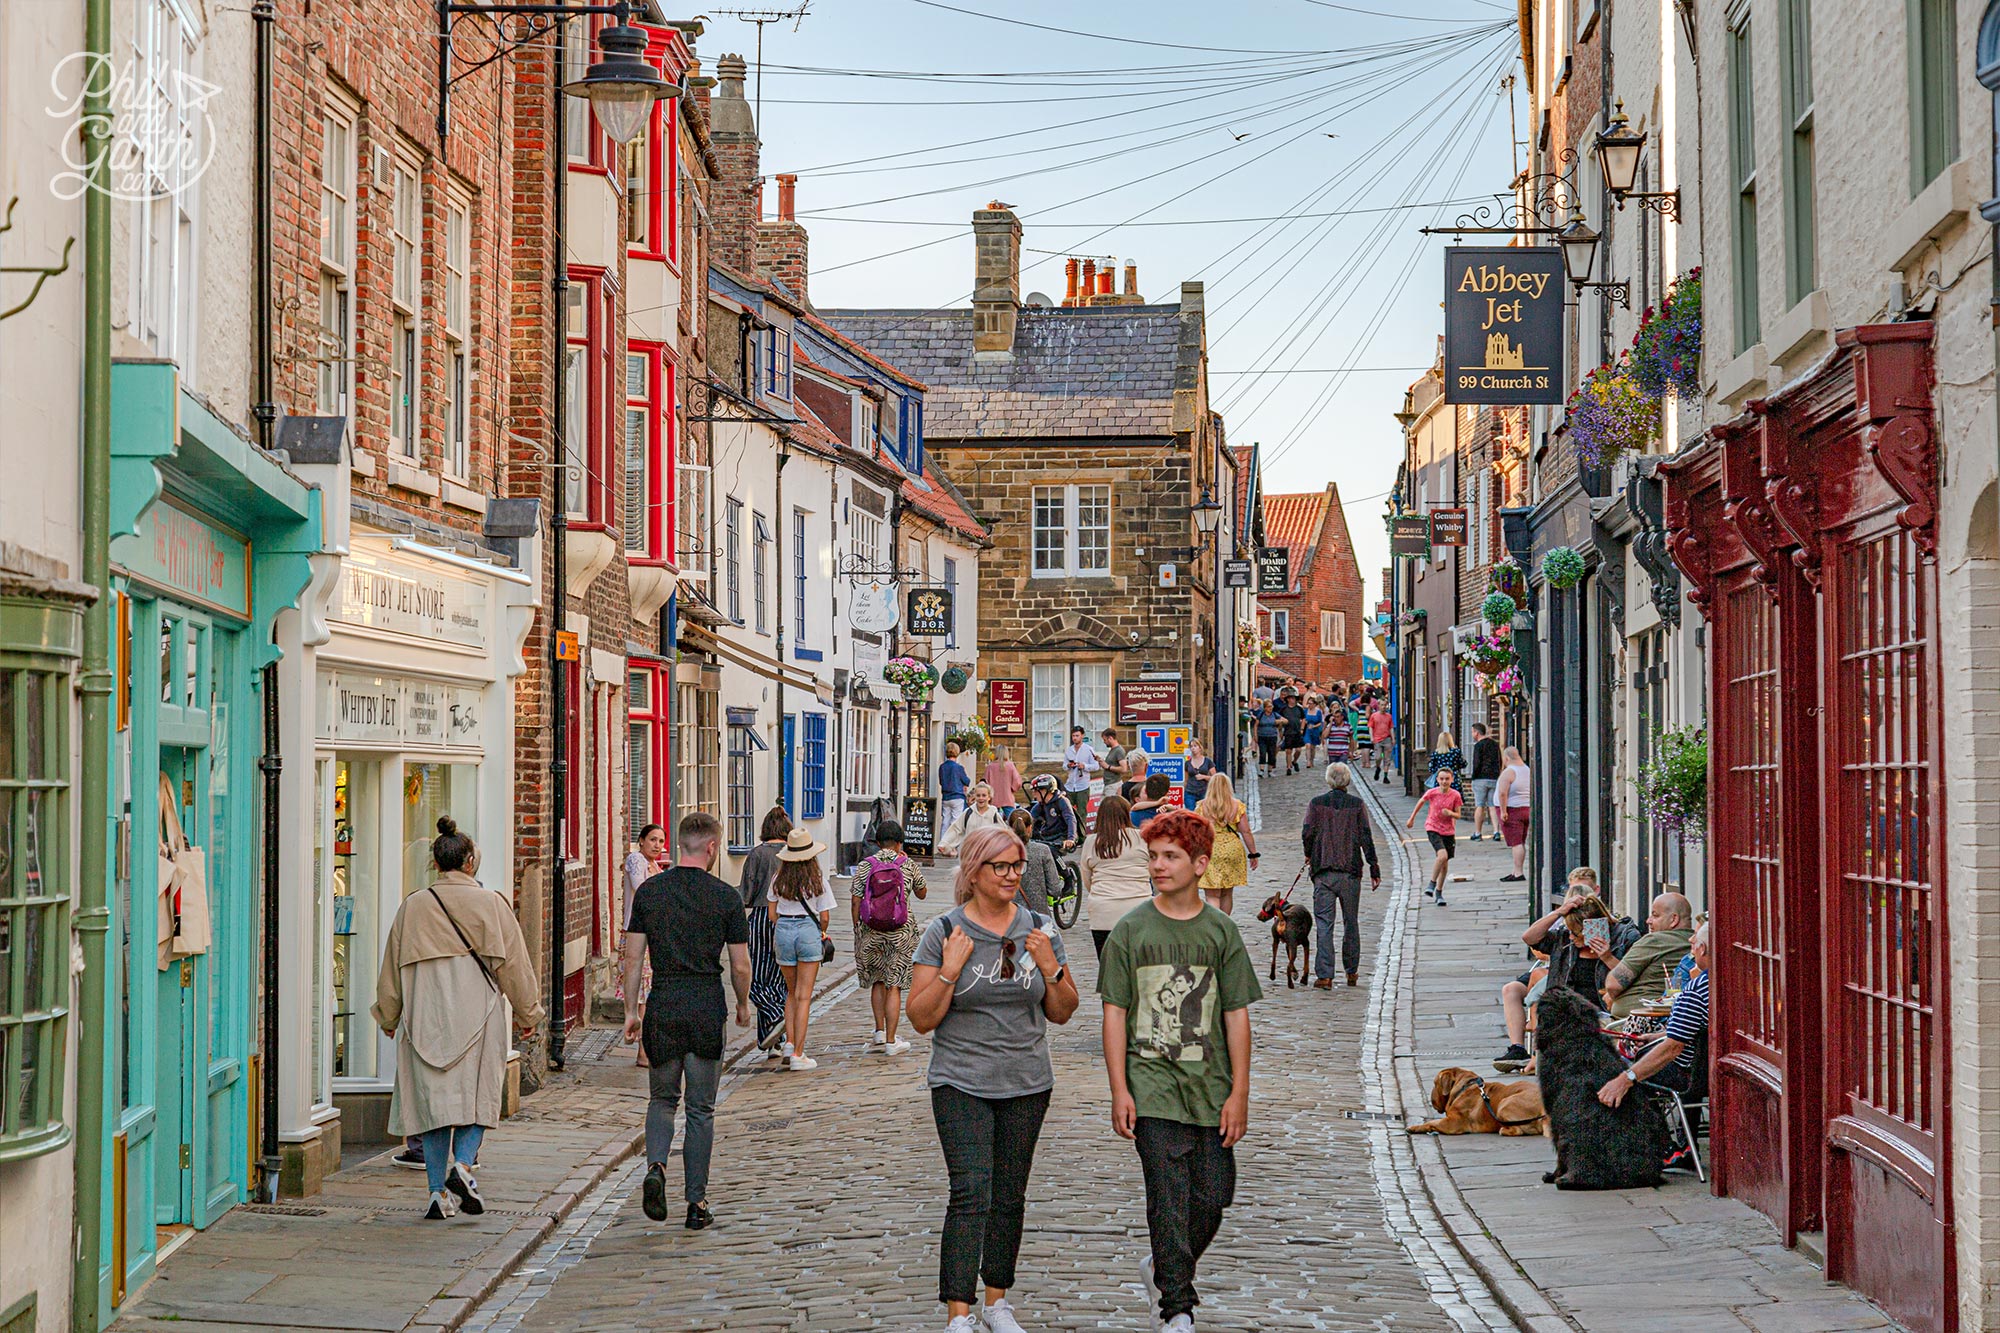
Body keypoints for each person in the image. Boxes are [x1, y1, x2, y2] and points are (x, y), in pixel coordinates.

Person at [910, 825, 1080, 1333]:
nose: (1011, 876)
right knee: (970, 1192)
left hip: (1027, 1081)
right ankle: (958, 1313)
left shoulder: (1038, 929)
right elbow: (920, 1018)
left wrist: (1050, 968)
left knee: (1009, 1195)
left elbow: (1064, 1011)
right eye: (1000, 867)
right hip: (959, 1080)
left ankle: (997, 1302)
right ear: (973, 871)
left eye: (1017, 866)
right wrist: (949, 970)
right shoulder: (945, 932)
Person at [1099, 809, 1261, 1333]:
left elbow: (1237, 1017)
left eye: (1170, 857)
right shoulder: (1131, 930)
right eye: (1154, 857)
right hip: (1152, 1086)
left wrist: (1239, 1093)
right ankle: (1177, 1308)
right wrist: (1120, 1088)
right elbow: (1114, 1015)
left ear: (1200, 864)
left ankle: (1165, 1268)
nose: (1159, 866)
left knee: (1214, 1195)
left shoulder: (1221, 933)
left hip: (1210, 1087)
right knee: (1166, 1197)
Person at [373, 818, 543, 1220]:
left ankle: (436, 1193)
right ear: (470, 862)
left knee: (432, 1108)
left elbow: (391, 969)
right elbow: (515, 965)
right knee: (478, 1101)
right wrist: (527, 1012)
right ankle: (463, 1168)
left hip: (425, 1019)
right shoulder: (491, 904)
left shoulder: (412, 906)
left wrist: (389, 1014)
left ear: (436, 863)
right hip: (479, 1016)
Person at [620, 812, 751, 1229]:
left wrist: (630, 1013)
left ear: (680, 844)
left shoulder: (651, 894)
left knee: (661, 1100)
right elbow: (740, 963)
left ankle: (656, 1167)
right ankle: (696, 1204)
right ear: (712, 847)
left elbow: (632, 955)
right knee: (700, 1109)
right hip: (704, 1005)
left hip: (663, 1005)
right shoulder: (725, 897)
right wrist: (744, 1004)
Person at [1595, 923, 1710, 1170]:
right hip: (1709, 1070)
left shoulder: (1695, 991)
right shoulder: (1727, 983)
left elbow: (1672, 1049)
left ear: (1702, 949)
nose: (1690, 942)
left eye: (1694, 943)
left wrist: (1626, 1078)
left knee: (1629, 1072)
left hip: (1688, 1074)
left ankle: (1664, 1148)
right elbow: (1695, 1030)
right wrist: (1661, 1033)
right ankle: (1685, 1145)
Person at [1301, 763, 1381, 989]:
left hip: (1323, 870)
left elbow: (1307, 832)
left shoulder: (1316, 804)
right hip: (1350, 871)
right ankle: (1352, 971)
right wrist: (1374, 867)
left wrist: (1309, 854)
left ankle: (1325, 975)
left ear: (1329, 780)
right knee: (1350, 922)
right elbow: (1366, 836)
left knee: (1324, 924)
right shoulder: (1356, 805)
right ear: (1347, 781)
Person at [852, 820, 928, 1056]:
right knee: (893, 984)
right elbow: (923, 893)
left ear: (877, 842)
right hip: (900, 932)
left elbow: (856, 899)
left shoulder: (866, 866)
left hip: (872, 930)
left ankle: (879, 1031)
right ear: (899, 842)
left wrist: (857, 927)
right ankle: (892, 1040)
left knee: (877, 980)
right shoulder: (907, 864)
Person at [769, 828, 834, 1070]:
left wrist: (786, 926)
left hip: (784, 929)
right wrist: (820, 931)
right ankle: (798, 1053)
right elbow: (824, 917)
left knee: (791, 992)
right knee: (804, 995)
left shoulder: (778, 879)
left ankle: (789, 1042)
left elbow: (772, 913)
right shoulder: (818, 880)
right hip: (808, 930)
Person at [1588, 892, 1693, 1020]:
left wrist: (1613, 995)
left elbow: (1613, 985)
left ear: (1673, 920)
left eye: (1655, 915)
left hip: (1634, 1022)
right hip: (1669, 1021)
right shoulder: (1696, 943)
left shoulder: (1654, 940)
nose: (1648, 921)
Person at [738, 807, 792, 1056]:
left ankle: (774, 1016)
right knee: (780, 980)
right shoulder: (792, 854)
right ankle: (774, 1042)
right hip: (789, 918)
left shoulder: (757, 854)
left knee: (758, 979)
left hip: (761, 917)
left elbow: (746, 893)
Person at [620, 823, 668, 1065]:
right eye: (652, 840)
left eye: (661, 841)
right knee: (641, 994)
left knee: (648, 994)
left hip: (652, 934)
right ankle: (643, 1051)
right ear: (641, 840)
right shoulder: (636, 860)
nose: (657, 845)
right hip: (637, 934)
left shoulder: (655, 865)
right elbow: (643, 891)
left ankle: (647, 1048)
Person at [1083, 793, 1153, 957]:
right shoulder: (1142, 838)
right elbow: (1154, 871)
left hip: (1103, 910)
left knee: (1108, 967)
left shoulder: (1092, 842)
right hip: (1139, 907)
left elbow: (1087, 879)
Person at [1195, 772, 1257, 915]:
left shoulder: (1202, 807)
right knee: (1227, 893)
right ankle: (1225, 924)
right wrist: (1253, 853)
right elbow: (1246, 831)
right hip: (1232, 848)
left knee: (1212, 895)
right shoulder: (1237, 806)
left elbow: (1196, 831)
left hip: (1210, 849)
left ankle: (1215, 926)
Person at [1404, 767, 1464, 906]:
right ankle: (1431, 884)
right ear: (1437, 780)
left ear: (1452, 780)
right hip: (1433, 827)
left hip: (1448, 831)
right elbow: (1420, 802)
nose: (1444, 781)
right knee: (1442, 856)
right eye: (1441, 779)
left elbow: (1458, 814)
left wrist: (1450, 814)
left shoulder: (1455, 795)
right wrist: (1411, 818)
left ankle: (1439, 893)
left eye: (1447, 779)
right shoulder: (1432, 793)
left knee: (1444, 864)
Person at [1010, 809, 1061, 916]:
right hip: (1038, 916)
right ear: (1030, 828)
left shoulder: (1000, 852)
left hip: (1009, 917)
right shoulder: (1042, 850)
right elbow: (1055, 889)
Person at [1493, 746, 1531, 880]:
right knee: (1521, 841)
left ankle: (1519, 873)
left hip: (1512, 810)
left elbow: (1503, 793)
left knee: (1516, 842)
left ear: (1506, 758)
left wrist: (1503, 811)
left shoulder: (1509, 772)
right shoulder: (1527, 770)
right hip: (1526, 808)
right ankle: (1515, 871)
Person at [1026, 774, 1078, 854]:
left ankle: (1063, 867)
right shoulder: (1040, 805)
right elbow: (1030, 819)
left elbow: (1071, 820)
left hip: (1061, 837)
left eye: (1036, 791)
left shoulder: (1062, 801)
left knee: (1050, 853)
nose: (1034, 794)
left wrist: (1071, 839)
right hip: (1047, 836)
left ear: (1046, 790)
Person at [1467, 724, 1502, 842]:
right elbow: (1499, 761)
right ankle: (1496, 831)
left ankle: (1478, 833)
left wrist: (1474, 776)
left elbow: (1476, 763)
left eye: (1472, 732)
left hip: (1480, 778)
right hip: (1494, 778)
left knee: (1480, 805)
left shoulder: (1478, 746)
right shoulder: (1495, 744)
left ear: (1476, 732)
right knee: (1492, 806)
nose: (1472, 734)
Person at [1062, 725, 1100, 831]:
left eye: (1077, 736)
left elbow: (1096, 766)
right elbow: (1064, 765)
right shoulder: (1069, 750)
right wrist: (1068, 766)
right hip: (1070, 785)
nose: (1075, 738)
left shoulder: (1088, 750)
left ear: (1082, 736)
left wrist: (1085, 766)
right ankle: (1069, 833)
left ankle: (1081, 835)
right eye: (1073, 736)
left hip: (1082, 785)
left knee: (1082, 812)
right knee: (1067, 811)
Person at [939, 743, 972, 844]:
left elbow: (941, 782)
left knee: (945, 821)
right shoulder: (958, 768)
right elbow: (966, 781)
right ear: (957, 752)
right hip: (957, 796)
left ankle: (942, 844)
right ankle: (952, 844)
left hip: (945, 797)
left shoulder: (942, 767)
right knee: (955, 822)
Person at [985, 746, 1024, 818]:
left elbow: (985, 783)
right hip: (1007, 798)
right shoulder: (1010, 765)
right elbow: (1018, 782)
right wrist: (1012, 789)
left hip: (993, 799)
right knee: (1013, 820)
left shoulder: (990, 767)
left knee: (992, 822)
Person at [1184, 738, 1218, 808]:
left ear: (1200, 747)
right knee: (1191, 813)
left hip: (1204, 792)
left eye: (1195, 746)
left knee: (1203, 813)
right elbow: (1186, 780)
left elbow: (1215, 778)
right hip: (1190, 792)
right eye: (1191, 746)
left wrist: (1204, 777)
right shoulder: (1187, 763)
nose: (1193, 748)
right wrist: (1184, 792)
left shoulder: (1208, 761)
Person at [1279, 691, 1307, 774]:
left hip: (1297, 731)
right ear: (1287, 699)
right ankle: (1288, 767)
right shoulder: (1284, 709)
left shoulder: (1299, 709)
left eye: (1293, 698)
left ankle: (1294, 761)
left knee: (1298, 750)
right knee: (1288, 750)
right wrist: (1280, 730)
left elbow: (1304, 719)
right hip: (1288, 732)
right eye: (1290, 698)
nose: (1292, 700)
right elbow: (1280, 719)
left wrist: (1302, 728)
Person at [1367, 702, 1394, 782]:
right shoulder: (1374, 716)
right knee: (1378, 757)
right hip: (1377, 739)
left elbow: (1391, 728)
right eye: (1382, 705)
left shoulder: (1389, 716)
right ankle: (1378, 767)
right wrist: (1371, 737)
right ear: (1378, 706)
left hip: (1387, 739)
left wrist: (1393, 738)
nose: (1383, 707)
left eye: (1385, 705)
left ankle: (1385, 776)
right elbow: (1370, 727)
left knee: (1387, 759)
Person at [1254, 701, 1280, 776]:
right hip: (1262, 736)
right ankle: (1261, 770)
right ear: (1265, 708)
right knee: (1262, 752)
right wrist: (1255, 735)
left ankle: (1270, 770)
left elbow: (1285, 720)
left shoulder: (1274, 714)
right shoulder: (1261, 715)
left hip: (1272, 736)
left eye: (1271, 706)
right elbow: (1256, 725)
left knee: (1272, 753)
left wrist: (1278, 721)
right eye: (1269, 707)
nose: (1270, 708)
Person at [1301, 696, 1325, 769]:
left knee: (1313, 747)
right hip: (1307, 730)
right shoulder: (1305, 711)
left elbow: (1320, 722)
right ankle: (1308, 761)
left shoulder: (1318, 712)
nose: (1309, 705)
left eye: (1311, 703)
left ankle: (1312, 760)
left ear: (1315, 704)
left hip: (1315, 730)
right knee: (1308, 745)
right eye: (1308, 703)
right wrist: (1302, 727)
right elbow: (1303, 720)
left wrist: (1314, 726)